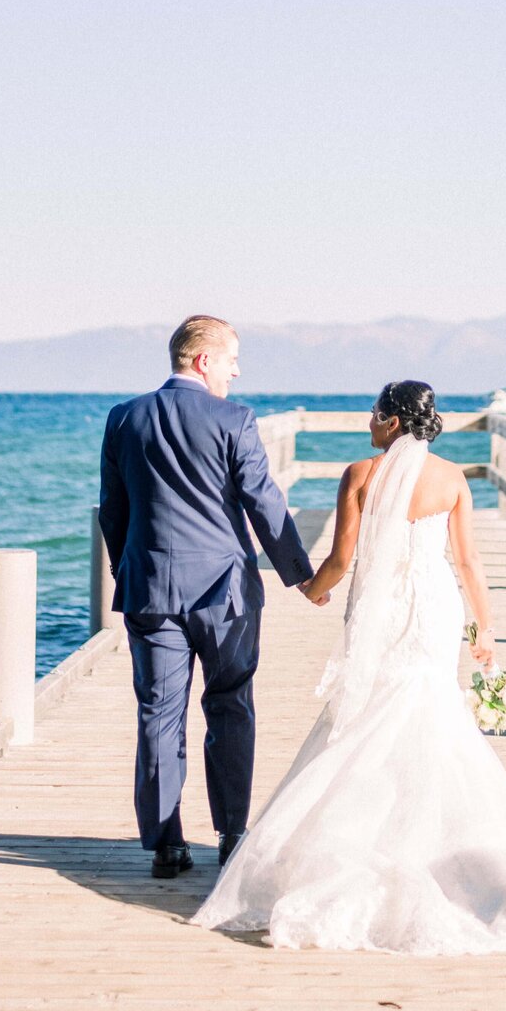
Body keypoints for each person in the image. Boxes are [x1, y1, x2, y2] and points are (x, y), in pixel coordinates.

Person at [194, 379, 506, 953]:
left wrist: (314, 589)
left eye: (373, 413)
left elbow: (342, 558)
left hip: (384, 605)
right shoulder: (452, 478)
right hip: (434, 603)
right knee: (429, 712)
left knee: (368, 715)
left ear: (391, 422)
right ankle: (429, 846)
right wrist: (482, 627)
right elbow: (468, 558)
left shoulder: (361, 475)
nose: (368, 421)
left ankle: (365, 844)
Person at [98, 314, 318, 880]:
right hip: (226, 595)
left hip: (151, 592)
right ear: (203, 361)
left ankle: (167, 844)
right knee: (230, 705)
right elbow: (263, 503)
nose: (236, 370)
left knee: (158, 715)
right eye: (231, 360)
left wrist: (134, 569)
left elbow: (114, 511)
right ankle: (231, 834)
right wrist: (301, 575)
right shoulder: (234, 419)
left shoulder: (124, 418)